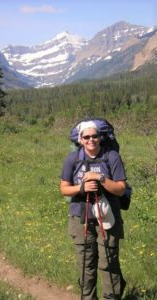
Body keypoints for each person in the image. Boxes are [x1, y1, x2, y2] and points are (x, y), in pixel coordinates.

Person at [60, 121, 127, 300]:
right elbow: (64, 189)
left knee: (108, 262)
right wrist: (81, 188)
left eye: (94, 136)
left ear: (100, 137)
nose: (91, 140)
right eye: (86, 137)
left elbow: (120, 189)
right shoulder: (72, 159)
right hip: (80, 216)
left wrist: (100, 178)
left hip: (108, 216)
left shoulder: (112, 157)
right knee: (85, 264)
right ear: (80, 140)